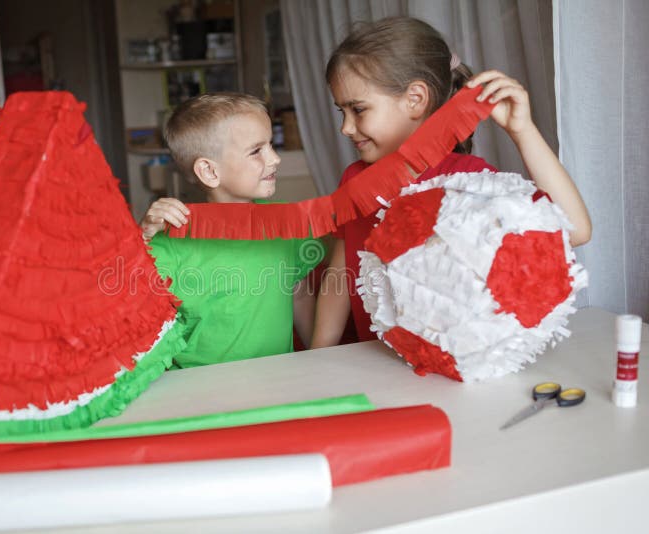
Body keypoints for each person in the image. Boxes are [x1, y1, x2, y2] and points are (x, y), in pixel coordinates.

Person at [310, 16, 592, 348]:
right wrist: (320, 354)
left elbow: (575, 230)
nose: (346, 127)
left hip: (443, 369)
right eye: (341, 111)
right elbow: (341, 270)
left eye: (358, 109)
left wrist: (522, 131)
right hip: (368, 360)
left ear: (415, 99)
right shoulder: (354, 178)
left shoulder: (468, 182)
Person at [140, 93, 323, 367]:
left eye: (271, 145)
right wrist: (141, 238)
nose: (275, 159)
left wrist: (319, 359)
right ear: (210, 172)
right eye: (256, 151)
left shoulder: (288, 223)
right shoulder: (169, 243)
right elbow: (132, 316)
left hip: (280, 383)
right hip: (199, 393)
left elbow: (299, 294)